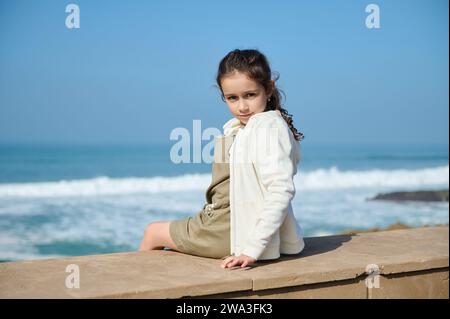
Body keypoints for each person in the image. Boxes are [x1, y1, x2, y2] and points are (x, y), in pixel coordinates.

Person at [139, 49, 305, 269]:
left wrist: (251, 250)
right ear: (223, 95)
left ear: (269, 88)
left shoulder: (268, 128)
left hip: (231, 230)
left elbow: (280, 190)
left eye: (250, 95)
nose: (242, 106)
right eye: (232, 98)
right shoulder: (240, 128)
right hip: (225, 222)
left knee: (153, 232)